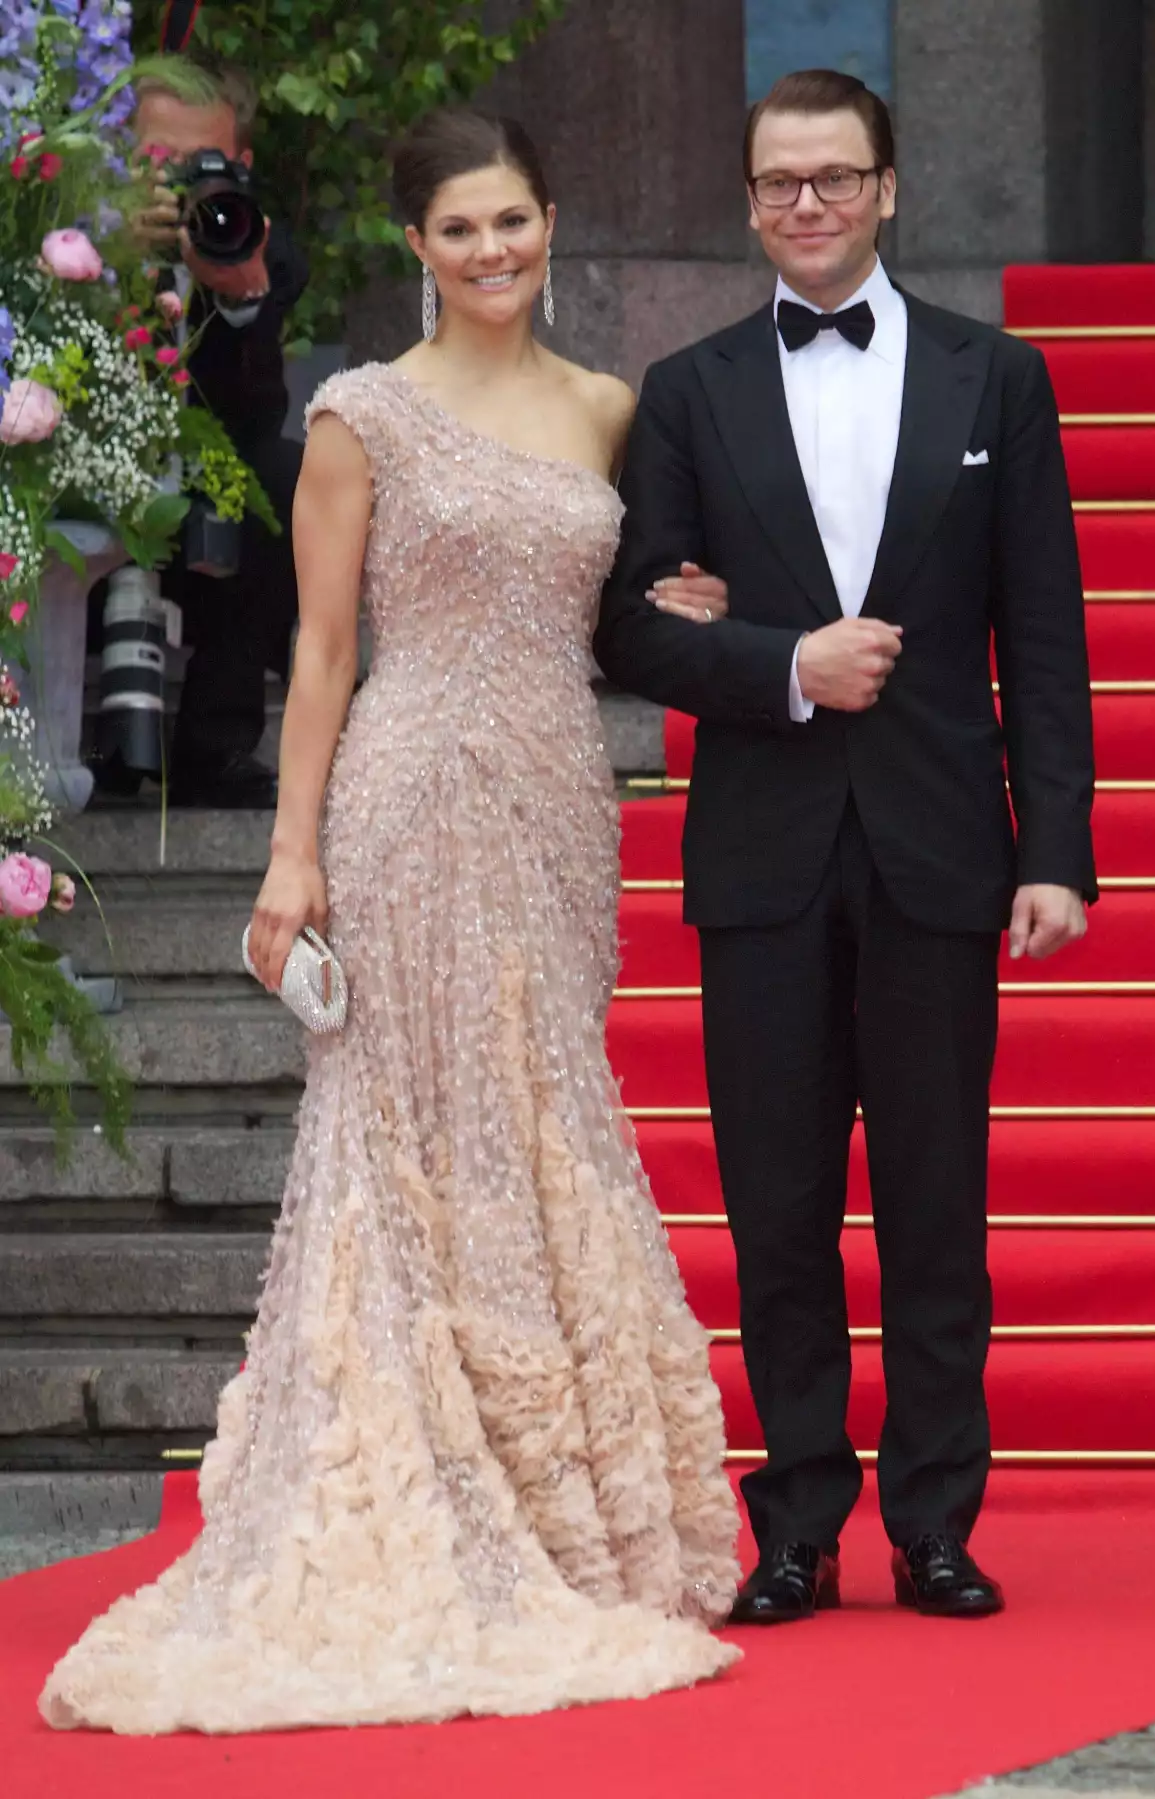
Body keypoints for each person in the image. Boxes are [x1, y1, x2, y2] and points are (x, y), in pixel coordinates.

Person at [40, 107, 741, 1735]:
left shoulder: (608, 408)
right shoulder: (363, 415)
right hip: (410, 797)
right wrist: (292, 857)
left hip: (563, 807)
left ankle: (569, 1507)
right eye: (461, 230)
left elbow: (618, 616)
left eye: (515, 222)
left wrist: (689, 609)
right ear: (414, 246)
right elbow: (330, 653)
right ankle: (423, 1476)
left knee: (539, 1113)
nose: (493, 251)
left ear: (552, 221)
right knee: (418, 1137)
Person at [594, 68, 1096, 1624]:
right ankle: (797, 1523)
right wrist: (779, 666)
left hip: (946, 846)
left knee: (940, 1199)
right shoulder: (685, 389)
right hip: (764, 853)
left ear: (886, 187)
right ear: (747, 202)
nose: (804, 205)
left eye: (832, 178)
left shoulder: (994, 378)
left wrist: (1058, 849)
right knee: (779, 1202)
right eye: (776, 184)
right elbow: (627, 627)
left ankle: (938, 1520)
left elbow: (1048, 634)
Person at [96, 57, 308, 807]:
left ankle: (215, 750)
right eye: (156, 162)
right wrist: (112, 259)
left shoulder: (255, 247)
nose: (176, 186)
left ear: (239, 165)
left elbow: (254, 422)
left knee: (280, 475)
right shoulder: (64, 236)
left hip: (199, 511)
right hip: (85, 498)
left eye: (199, 166)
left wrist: (243, 301)